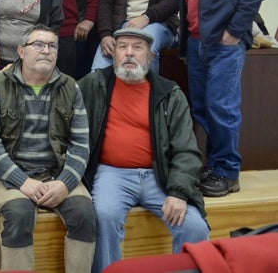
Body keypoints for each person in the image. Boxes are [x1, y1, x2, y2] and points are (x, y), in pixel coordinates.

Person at [78, 27, 209, 272]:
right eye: (122, 47)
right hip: (112, 174)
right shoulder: (94, 84)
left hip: (159, 176)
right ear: (113, 54)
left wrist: (179, 192)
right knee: (104, 215)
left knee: (195, 226)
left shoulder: (169, 93)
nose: (129, 53)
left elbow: (187, 150)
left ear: (150, 57)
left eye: (137, 48)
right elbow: (60, 94)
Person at [0, 24, 96, 272]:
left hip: (57, 173)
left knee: (85, 214)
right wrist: (22, 181)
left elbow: (81, 144)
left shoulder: (70, 88)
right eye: (38, 45)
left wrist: (64, 182)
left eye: (52, 45)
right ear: (21, 51)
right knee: (19, 214)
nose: (46, 50)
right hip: (9, 176)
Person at [176, 0, 270, 197]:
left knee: (222, 108)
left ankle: (229, 172)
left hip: (224, 44)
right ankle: (215, 166)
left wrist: (234, 31)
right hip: (195, 44)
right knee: (203, 109)